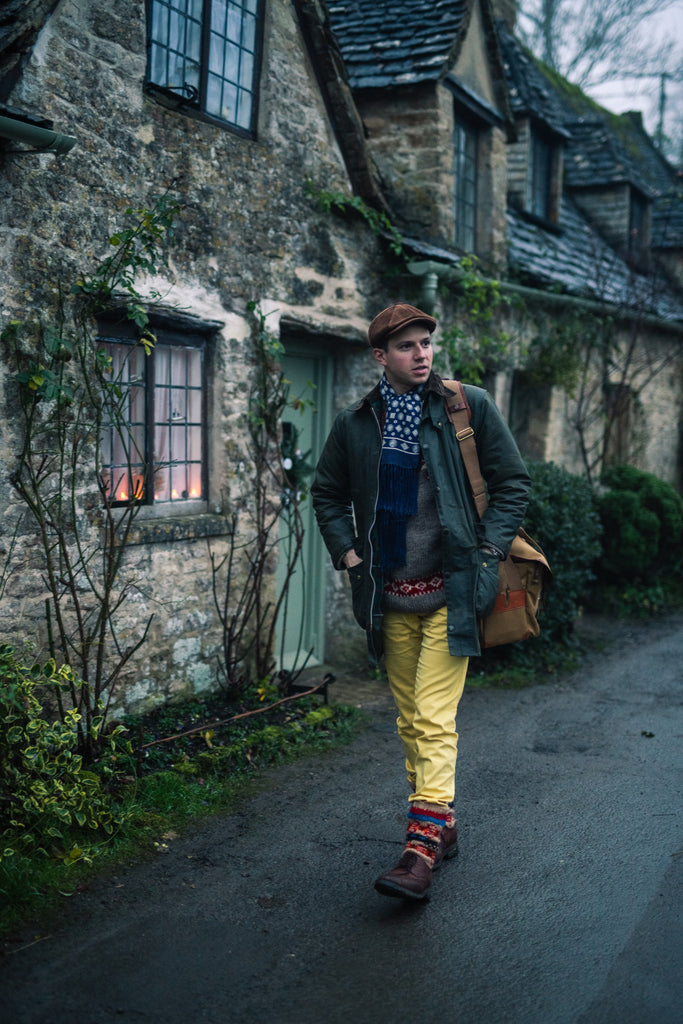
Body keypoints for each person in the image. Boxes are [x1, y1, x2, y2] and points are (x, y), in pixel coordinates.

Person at [311, 302, 531, 900]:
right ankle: (444, 822)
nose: (422, 353)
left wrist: (487, 552)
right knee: (411, 720)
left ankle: (420, 847)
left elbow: (513, 484)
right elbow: (327, 494)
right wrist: (349, 556)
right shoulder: (357, 423)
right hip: (388, 597)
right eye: (407, 346)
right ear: (380, 357)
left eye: (427, 342)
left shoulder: (466, 406)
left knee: (433, 719)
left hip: (452, 592)